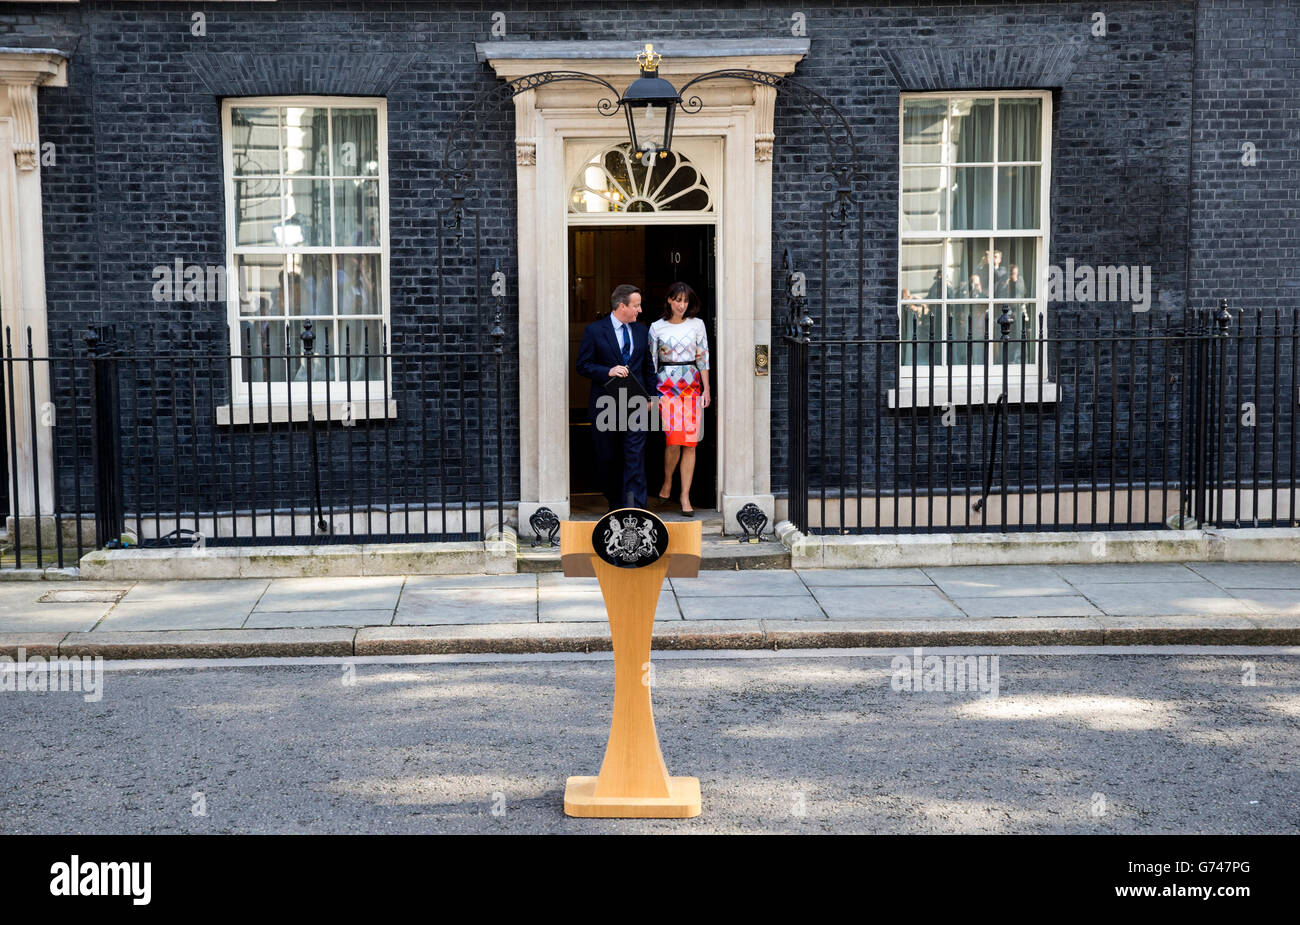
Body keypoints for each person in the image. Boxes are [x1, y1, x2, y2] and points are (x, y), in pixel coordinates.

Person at [576, 284, 654, 511]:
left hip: (637, 404)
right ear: (622, 306)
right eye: (636, 305)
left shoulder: (641, 330)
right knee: (608, 457)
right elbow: (583, 365)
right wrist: (607, 371)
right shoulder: (595, 331)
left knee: (635, 457)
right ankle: (615, 503)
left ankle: (636, 507)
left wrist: (652, 397)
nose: (640, 310)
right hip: (605, 405)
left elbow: (649, 367)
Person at [649, 282, 711, 516]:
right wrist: (651, 393)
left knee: (690, 444)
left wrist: (707, 390)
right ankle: (667, 482)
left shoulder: (697, 325)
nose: (681, 305)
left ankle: (685, 496)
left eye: (685, 301)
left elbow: (703, 357)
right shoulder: (657, 327)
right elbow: (651, 362)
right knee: (674, 440)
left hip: (692, 386)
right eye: (677, 300)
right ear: (669, 300)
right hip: (666, 387)